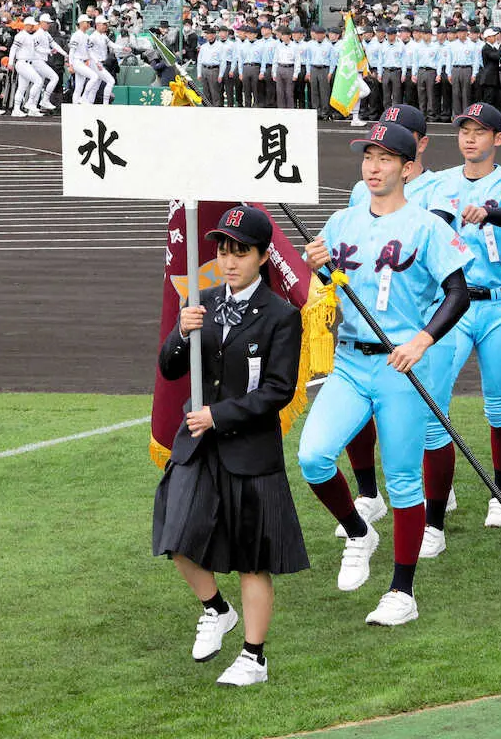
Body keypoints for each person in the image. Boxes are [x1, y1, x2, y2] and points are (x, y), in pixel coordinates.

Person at [298, 122, 474, 626]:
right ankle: (359, 531)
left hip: (400, 365)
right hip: (350, 362)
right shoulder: (341, 221)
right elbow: (332, 286)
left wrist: (422, 340)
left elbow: (457, 292)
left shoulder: (427, 225)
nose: (373, 167)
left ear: (407, 167)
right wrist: (318, 267)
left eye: (384, 159)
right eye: (368, 158)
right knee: (313, 456)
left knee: (402, 479)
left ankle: (402, 590)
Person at [154, 204, 308, 687]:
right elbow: (170, 367)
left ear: (263, 256)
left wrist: (218, 415)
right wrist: (182, 332)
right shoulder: (202, 300)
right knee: (175, 535)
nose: (229, 259)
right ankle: (216, 610)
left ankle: (254, 657)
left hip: (249, 452)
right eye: (224, 250)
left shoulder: (281, 315)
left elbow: (278, 390)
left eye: (240, 251)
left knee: (251, 559)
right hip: (199, 448)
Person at [437, 102, 501, 529]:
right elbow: (434, 222)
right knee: (433, 406)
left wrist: (487, 212)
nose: (470, 137)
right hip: (453, 305)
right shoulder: (442, 183)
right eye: (464, 129)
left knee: (499, 407)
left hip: (499, 304)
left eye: (480, 131)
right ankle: (437, 501)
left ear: (498, 138)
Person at [8, 17, 44, 117]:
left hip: (26, 63)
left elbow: (34, 51)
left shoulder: (29, 36)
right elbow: (13, 49)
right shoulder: (21, 36)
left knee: (22, 88)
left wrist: (49, 52)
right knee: (38, 81)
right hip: (22, 63)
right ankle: (30, 102)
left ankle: (16, 109)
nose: (33, 27)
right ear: (27, 25)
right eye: (31, 25)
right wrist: (10, 62)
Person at [30, 13, 64, 111]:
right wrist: (48, 51)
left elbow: (54, 45)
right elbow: (36, 48)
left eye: (49, 23)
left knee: (39, 84)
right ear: (41, 23)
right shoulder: (37, 34)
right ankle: (44, 100)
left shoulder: (46, 34)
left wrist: (65, 54)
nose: (49, 25)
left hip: (41, 61)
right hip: (37, 61)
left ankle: (33, 107)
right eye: (47, 23)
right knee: (54, 77)